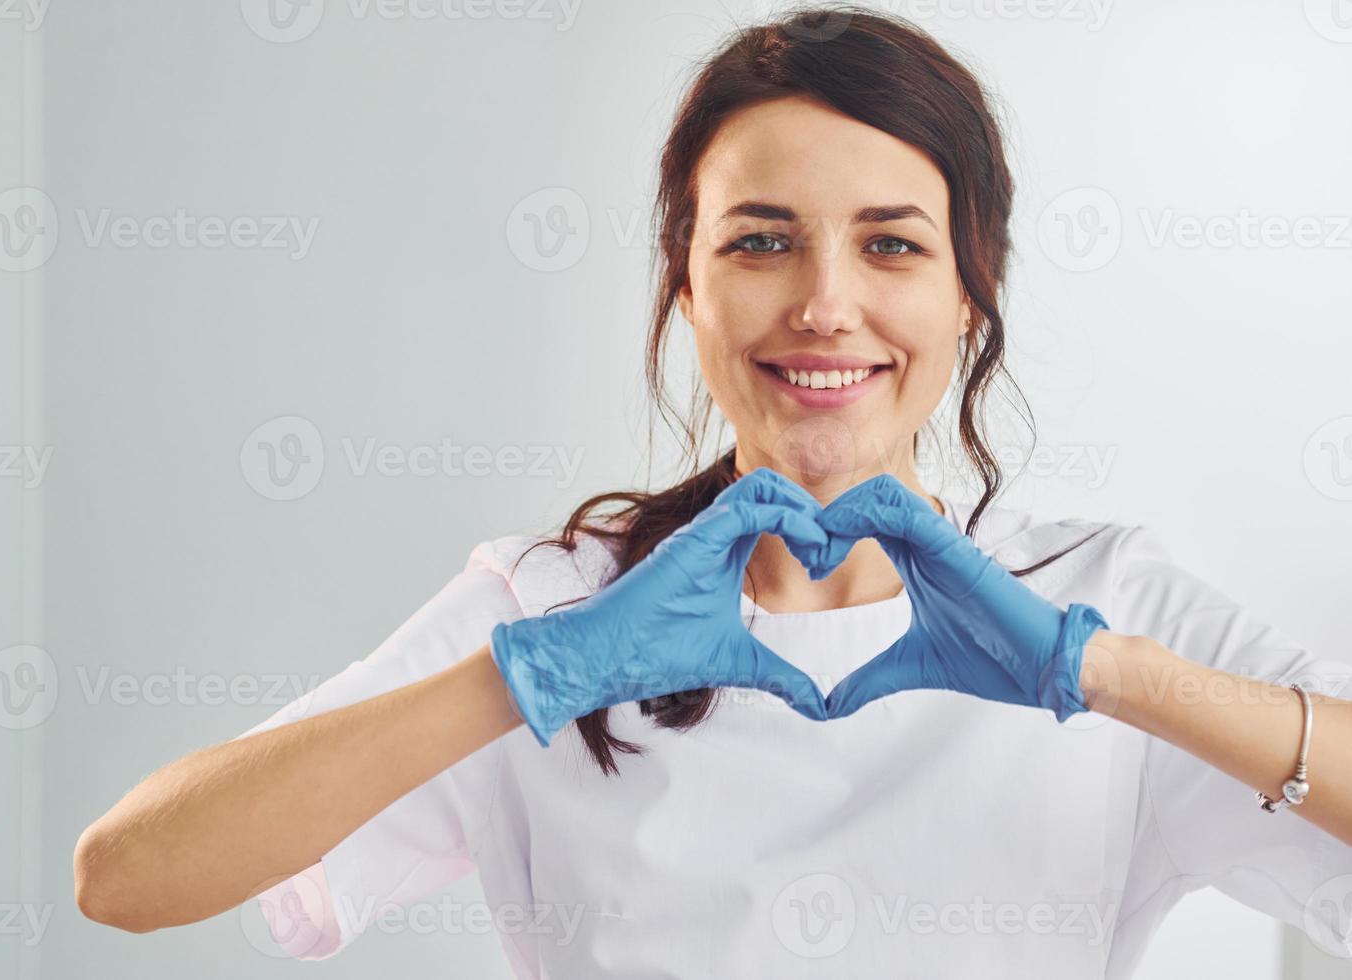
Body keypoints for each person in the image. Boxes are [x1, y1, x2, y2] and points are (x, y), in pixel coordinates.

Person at [73, 7, 1352, 977]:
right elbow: (124, 875)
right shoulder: (558, 604)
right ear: (684, 283)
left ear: (972, 290)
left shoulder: (1101, 595)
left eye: (893, 242)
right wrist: (532, 674)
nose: (823, 304)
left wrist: (1103, 671)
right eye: (759, 239)